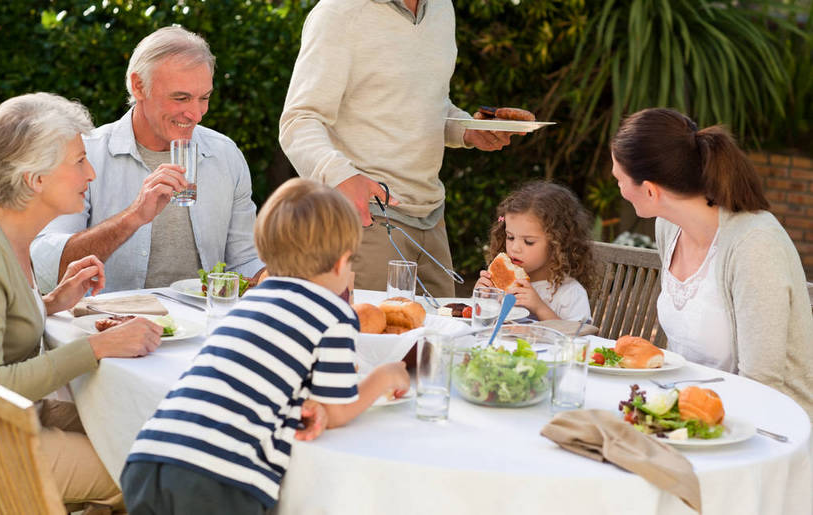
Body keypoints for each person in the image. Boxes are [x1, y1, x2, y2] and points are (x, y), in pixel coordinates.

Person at [120, 178, 410, 514]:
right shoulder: (334, 315)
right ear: (340, 264)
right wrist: (387, 377)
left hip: (150, 456)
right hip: (220, 479)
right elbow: (338, 410)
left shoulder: (250, 302)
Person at [279, 0, 524, 298]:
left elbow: (428, 104)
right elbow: (298, 121)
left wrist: (467, 129)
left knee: (439, 342)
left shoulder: (441, 9)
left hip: (432, 218)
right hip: (365, 220)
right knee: (364, 340)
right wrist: (342, 177)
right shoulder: (338, 12)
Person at [0, 93, 165, 513]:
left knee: (153, 435)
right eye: (77, 162)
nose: (90, 174)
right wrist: (97, 347)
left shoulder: (14, 238)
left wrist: (52, 301)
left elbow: (7, 318)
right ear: (35, 179)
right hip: (2, 440)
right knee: (152, 475)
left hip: (21, 418)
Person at [610, 107, 813, 418]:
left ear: (650, 190)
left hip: (768, 428)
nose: (619, 189)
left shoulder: (754, 245)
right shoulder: (669, 227)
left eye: (619, 179)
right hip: (689, 412)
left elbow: (762, 384)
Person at [30, 26, 264, 294]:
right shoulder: (85, 155)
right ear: (139, 85)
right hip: (106, 325)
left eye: (204, 98)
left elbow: (244, 261)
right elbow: (46, 266)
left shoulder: (225, 155)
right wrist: (133, 216)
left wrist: (275, 274)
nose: (196, 115)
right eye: (181, 98)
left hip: (205, 328)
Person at [475, 181, 597, 321]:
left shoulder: (570, 293)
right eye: (510, 237)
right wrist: (482, 299)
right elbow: (480, 325)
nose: (515, 248)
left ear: (558, 244)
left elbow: (579, 339)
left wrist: (539, 308)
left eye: (528, 242)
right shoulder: (502, 283)